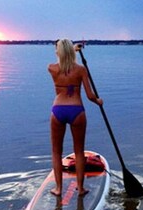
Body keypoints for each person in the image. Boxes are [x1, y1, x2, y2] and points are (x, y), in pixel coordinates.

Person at [48, 38, 103, 196]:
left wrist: (70, 49)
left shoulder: (52, 68)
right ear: (72, 52)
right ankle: (81, 187)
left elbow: (62, 59)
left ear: (58, 51)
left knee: (56, 152)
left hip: (58, 111)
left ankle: (58, 189)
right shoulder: (80, 70)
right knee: (79, 151)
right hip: (76, 111)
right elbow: (90, 95)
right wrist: (98, 101)